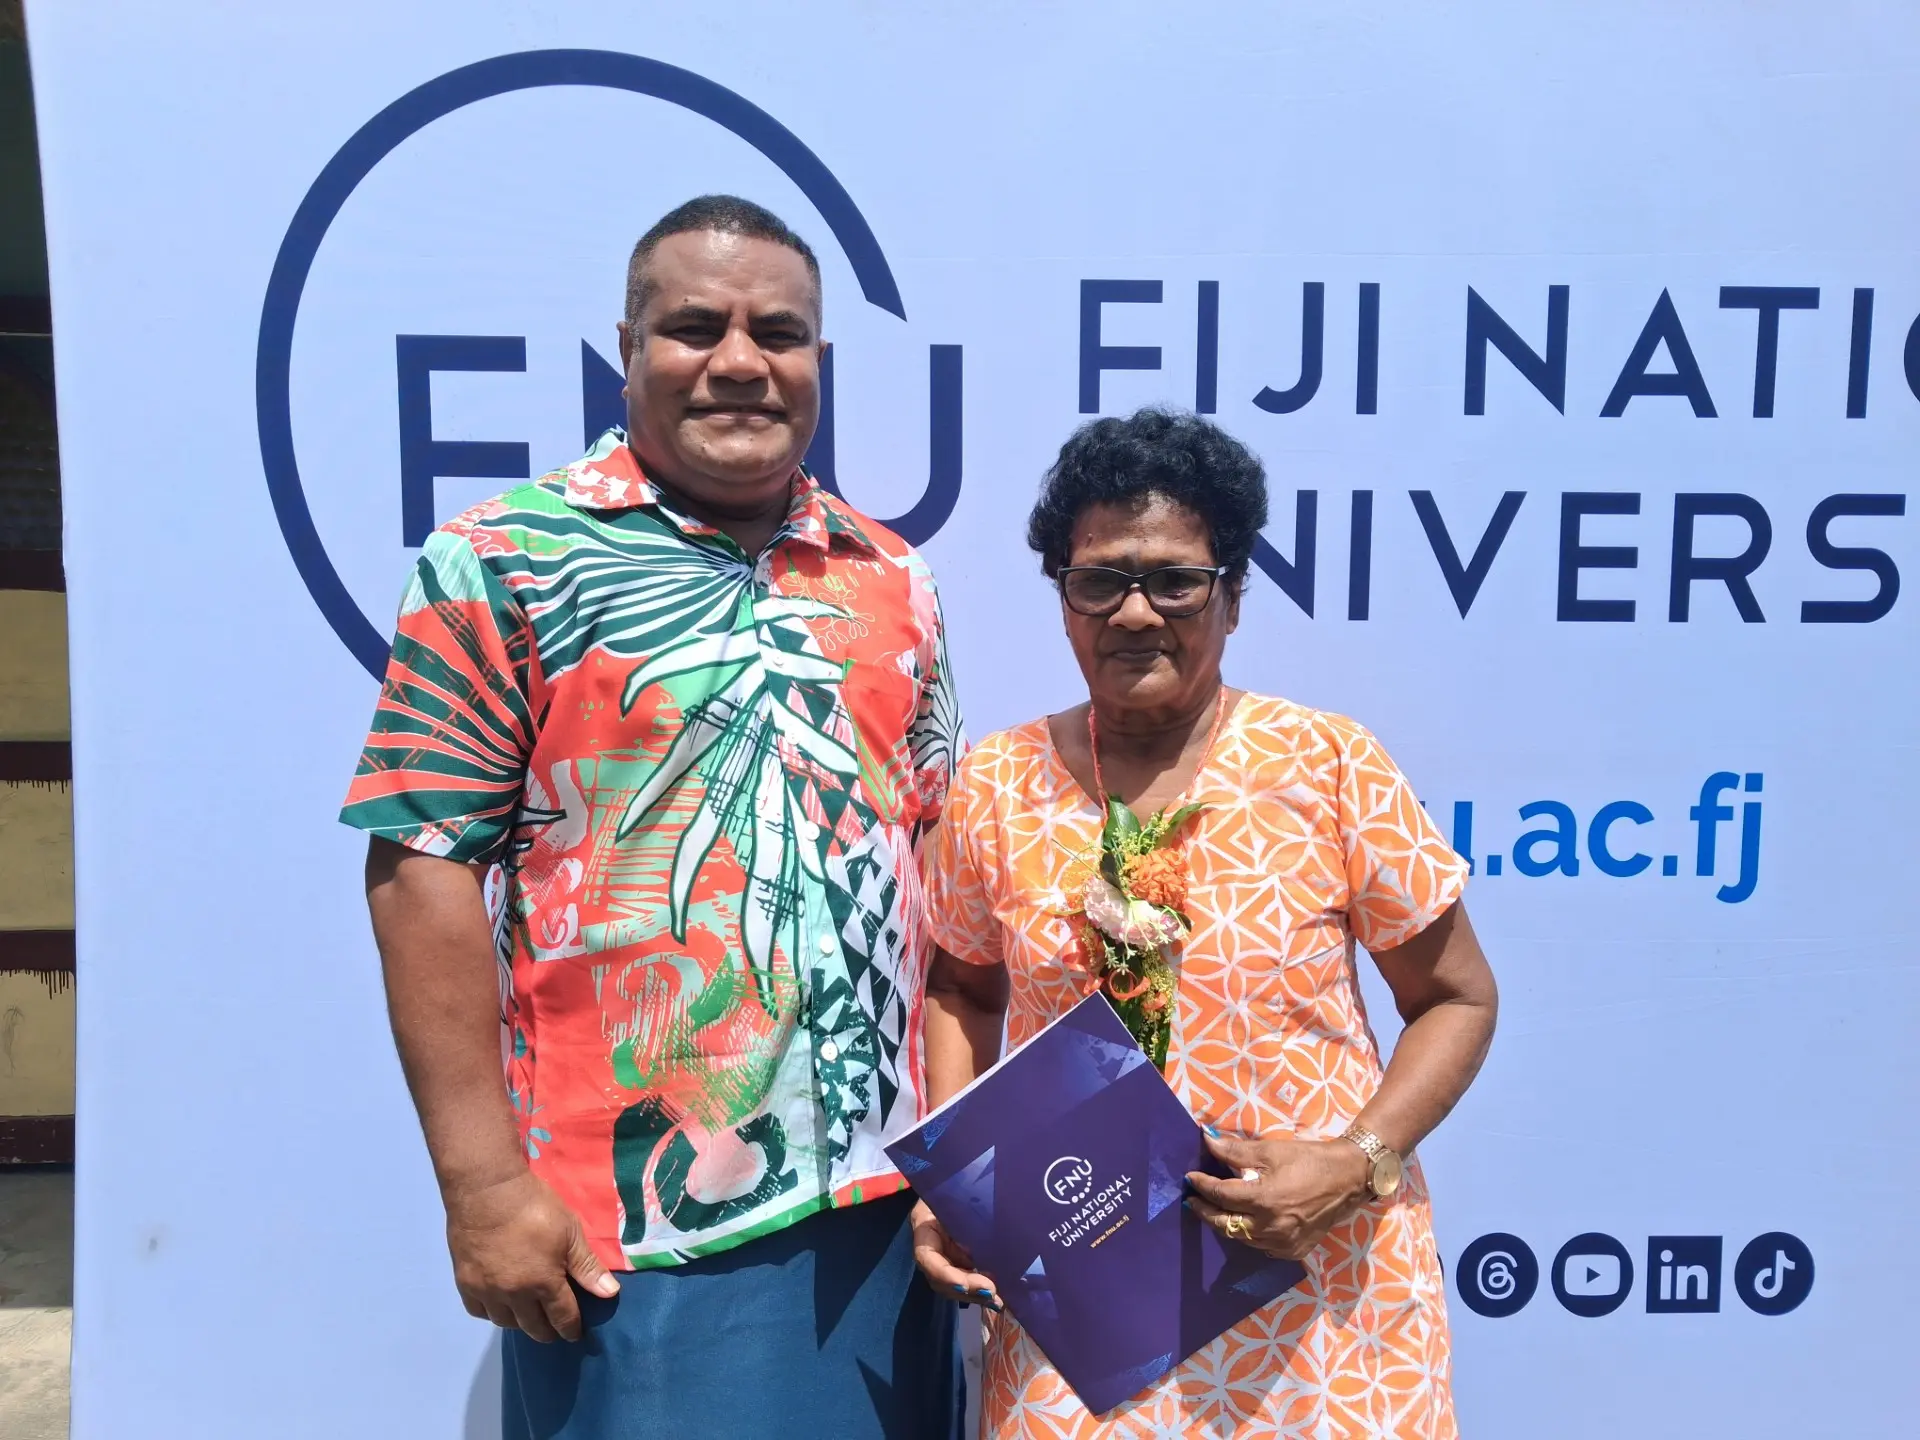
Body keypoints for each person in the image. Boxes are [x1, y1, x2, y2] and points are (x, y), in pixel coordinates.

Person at [342, 195, 966, 1440]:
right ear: (627, 350)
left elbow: (938, 858)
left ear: (818, 361)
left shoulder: (891, 576)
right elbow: (422, 869)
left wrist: (969, 1145)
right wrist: (482, 1186)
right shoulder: (503, 559)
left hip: (890, 1206)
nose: (739, 361)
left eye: (776, 333)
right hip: (640, 1222)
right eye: (694, 328)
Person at [912, 408, 1498, 1437]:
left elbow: (1457, 998)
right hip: (1087, 1312)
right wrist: (963, 1188)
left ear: (1232, 597)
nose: (1136, 612)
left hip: (1323, 1295)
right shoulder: (998, 786)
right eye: (1100, 580)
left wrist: (1355, 1161)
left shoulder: (1327, 764)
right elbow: (961, 988)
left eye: (1175, 580)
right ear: (1063, 600)